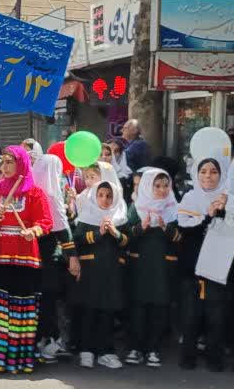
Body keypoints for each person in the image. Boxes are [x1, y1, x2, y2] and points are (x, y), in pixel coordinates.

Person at [0, 145, 53, 374]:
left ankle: (18, 359)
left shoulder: (35, 193)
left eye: (11, 162)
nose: (6, 166)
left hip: (23, 255)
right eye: (4, 162)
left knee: (21, 307)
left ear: (22, 165)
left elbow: (45, 221)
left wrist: (34, 231)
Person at [176, 157, 231, 371]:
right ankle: (187, 356)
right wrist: (207, 217)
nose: (208, 176)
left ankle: (214, 358)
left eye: (214, 172)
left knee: (216, 315)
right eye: (204, 171)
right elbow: (185, 228)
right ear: (196, 174)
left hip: (218, 267)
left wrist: (222, 212)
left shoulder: (229, 200)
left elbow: (233, 231)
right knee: (190, 314)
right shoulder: (189, 198)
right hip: (192, 266)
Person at [124, 168, 180, 368]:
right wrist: (141, 228)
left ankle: (153, 349)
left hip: (163, 266)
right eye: (157, 186)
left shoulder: (173, 207)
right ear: (148, 186)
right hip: (140, 266)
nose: (162, 190)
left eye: (166, 185)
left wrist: (166, 228)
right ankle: (135, 348)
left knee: (159, 307)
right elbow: (125, 236)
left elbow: (180, 239)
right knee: (138, 307)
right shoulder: (137, 207)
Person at [71, 179, 129, 369]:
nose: (105, 199)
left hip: (112, 272)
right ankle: (86, 351)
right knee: (89, 311)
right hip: (91, 272)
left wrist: (115, 233)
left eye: (109, 196)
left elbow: (127, 240)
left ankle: (106, 352)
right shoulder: (87, 215)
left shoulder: (120, 217)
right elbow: (77, 239)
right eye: (101, 195)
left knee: (107, 312)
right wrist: (98, 233)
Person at [32, 154, 79, 363]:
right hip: (48, 256)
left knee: (36, 300)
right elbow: (63, 231)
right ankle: (49, 342)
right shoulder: (51, 194)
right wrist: (73, 258)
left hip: (29, 256)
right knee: (48, 299)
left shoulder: (29, 192)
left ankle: (38, 342)